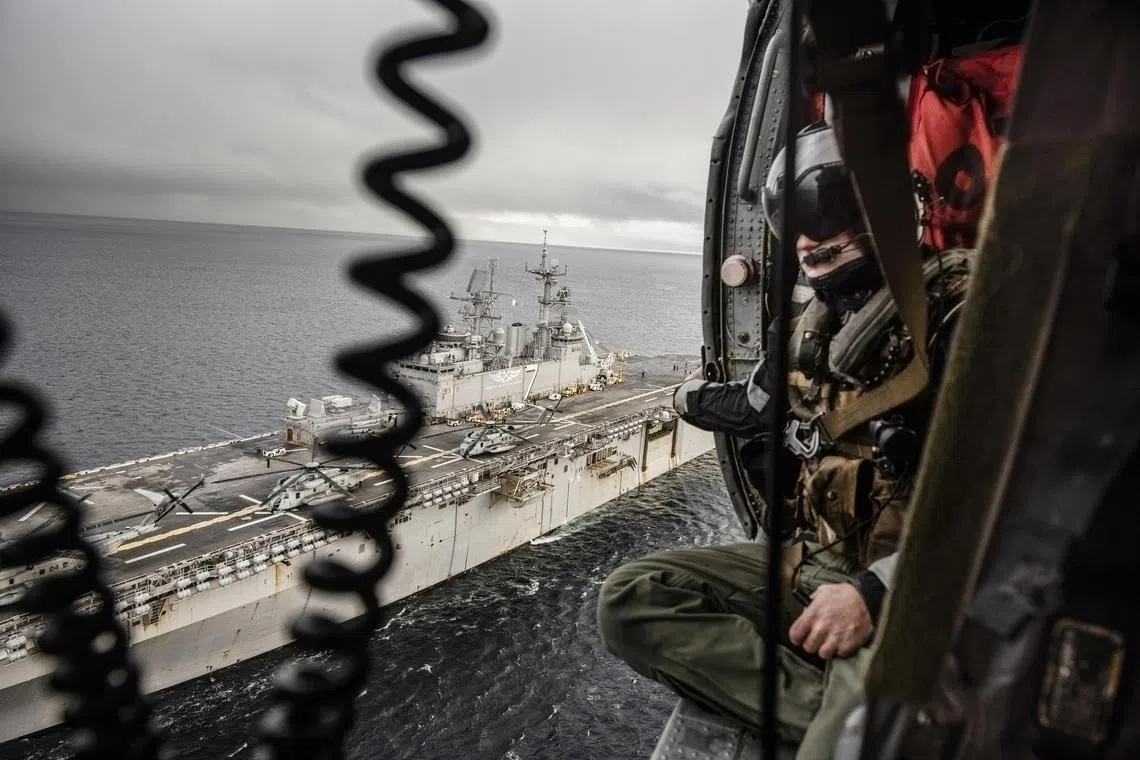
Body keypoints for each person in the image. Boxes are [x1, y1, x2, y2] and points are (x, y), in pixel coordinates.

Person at [595, 121, 974, 758]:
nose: (804, 243)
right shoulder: (808, 329)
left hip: (906, 588)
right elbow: (756, 406)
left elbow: (1012, 498)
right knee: (628, 600)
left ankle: (848, 726)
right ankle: (834, 715)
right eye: (794, 227)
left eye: (824, 220)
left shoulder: (961, 315)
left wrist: (874, 591)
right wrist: (687, 398)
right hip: (812, 560)